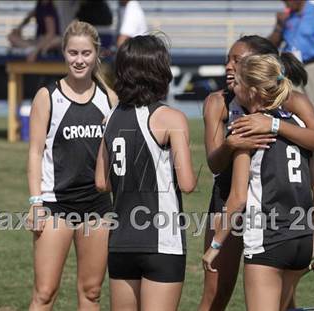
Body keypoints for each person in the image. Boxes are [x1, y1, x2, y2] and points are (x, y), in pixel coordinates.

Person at [198, 35, 314, 311]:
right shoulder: (218, 102)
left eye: (238, 60)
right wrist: (231, 144)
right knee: (216, 292)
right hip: (231, 198)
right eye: (227, 60)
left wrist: (273, 126)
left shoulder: (289, 99)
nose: (229, 67)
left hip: (276, 206)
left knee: (285, 296)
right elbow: (214, 164)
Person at [96, 34, 196, 311]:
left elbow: (101, 182)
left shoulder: (111, 117)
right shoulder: (171, 118)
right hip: (161, 240)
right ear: (159, 71)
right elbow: (187, 183)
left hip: (121, 241)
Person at [26, 20, 117, 310]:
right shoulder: (47, 96)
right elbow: (34, 153)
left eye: (86, 53)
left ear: (96, 55)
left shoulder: (109, 99)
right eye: (73, 53)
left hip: (98, 207)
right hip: (56, 206)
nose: (79, 60)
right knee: (45, 293)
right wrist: (35, 202)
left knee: (91, 292)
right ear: (64, 53)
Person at [269, 0, 314, 178]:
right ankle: (305, 162)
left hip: (313, 66)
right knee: (292, 113)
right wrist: (279, 26)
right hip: (291, 67)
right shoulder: (287, 17)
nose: (285, 4)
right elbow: (271, 45)